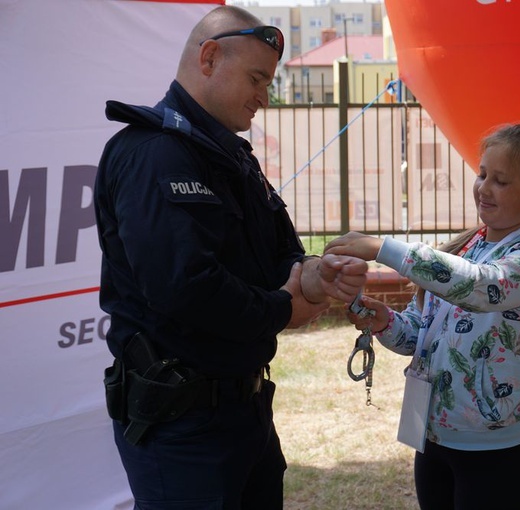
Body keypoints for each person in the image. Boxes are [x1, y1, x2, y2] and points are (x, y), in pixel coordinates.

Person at [94, 6, 368, 509]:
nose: (265, 96)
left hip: (245, 413)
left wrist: (315, 273)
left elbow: (279, 255)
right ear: (210, 57)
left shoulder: (231, 155)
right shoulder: (154, 152)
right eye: (257, 78)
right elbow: (185, 287)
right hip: (182, 428)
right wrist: (283, 309)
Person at [325, 123, 520, 510]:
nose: (484, 188)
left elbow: (481, 287)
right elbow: (419, 337)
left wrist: (384, 248)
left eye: (501, 181)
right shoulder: (465, 249)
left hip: (499, 450)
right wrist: (382, 320)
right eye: (482, 173)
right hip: (435, 440)